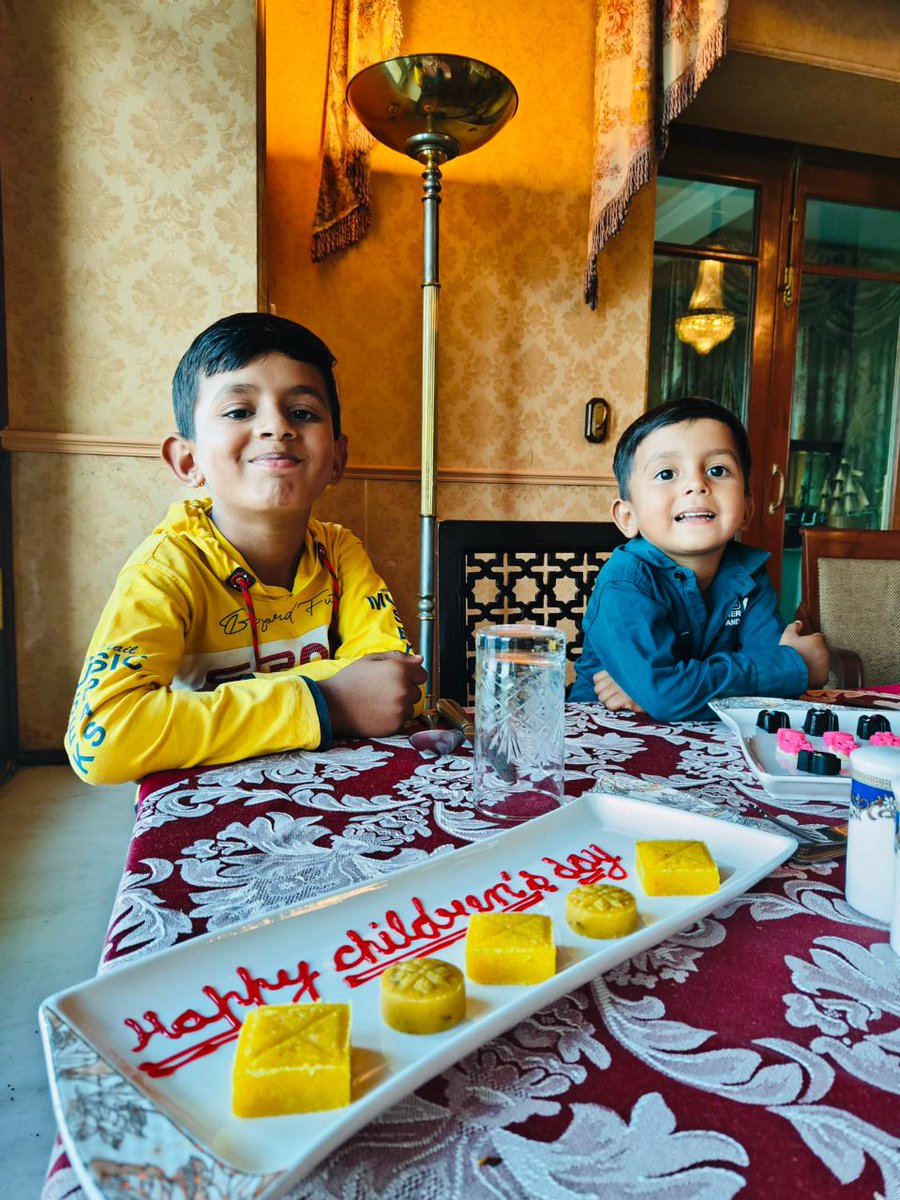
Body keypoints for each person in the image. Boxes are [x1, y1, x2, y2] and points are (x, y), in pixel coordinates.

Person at [66, 312, 426, 785]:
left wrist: (192, 712)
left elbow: (397, 688)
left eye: (302, 412)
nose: (277, 426)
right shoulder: (167, 569)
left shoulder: (338, 550)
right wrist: (328, 701)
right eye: (239, 411)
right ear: (188, 460)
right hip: (201, 811)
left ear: (337, 458)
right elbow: (101, 739)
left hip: (331, 786)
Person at [569, 397, 829, 721]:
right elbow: (770, 673)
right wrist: (796, 666)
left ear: (747, 509)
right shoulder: (625, 582)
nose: (696, 485)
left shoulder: (750, 574)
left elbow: (769, 685)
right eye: (666, 473)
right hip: (607, 738)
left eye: (717, 470)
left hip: (714, 745)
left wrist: (663, 690)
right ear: (627, 516)